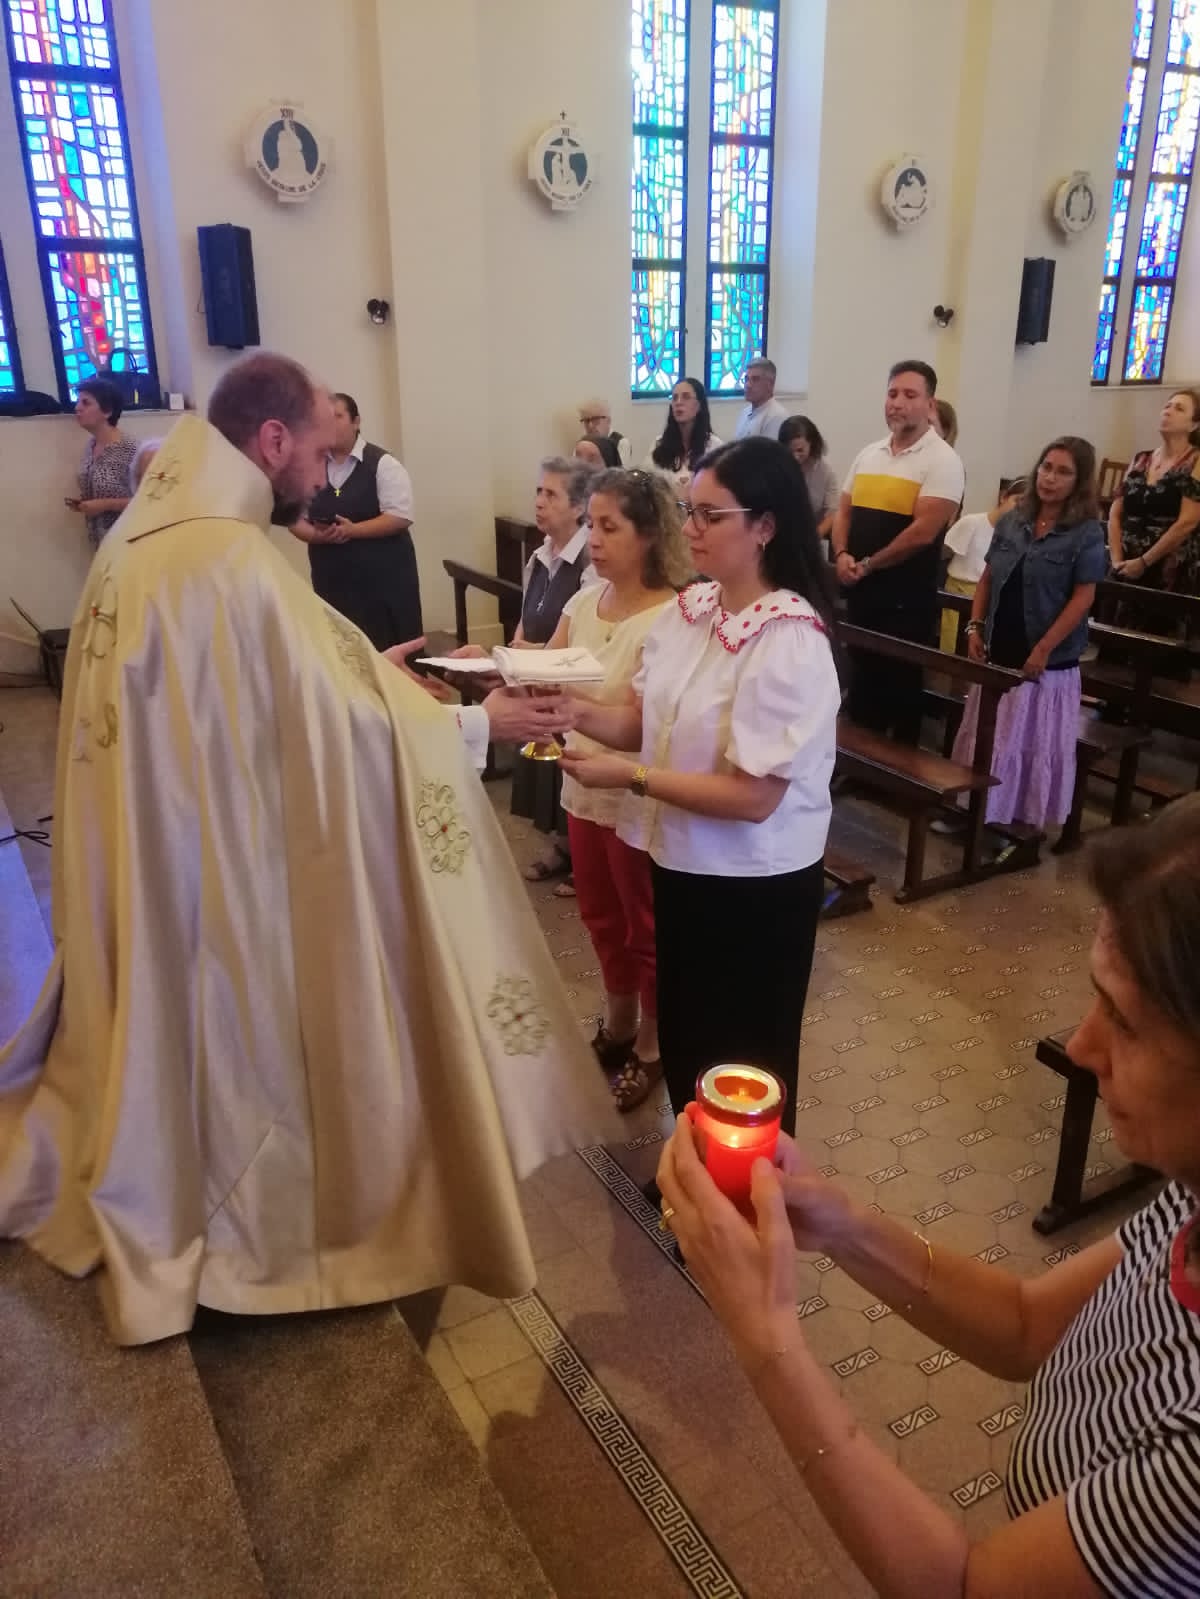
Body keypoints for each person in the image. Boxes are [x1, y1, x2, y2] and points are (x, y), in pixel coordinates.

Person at [0, 352, 615, 1346]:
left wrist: (363, 667)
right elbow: (328, 732)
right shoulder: (226, 559)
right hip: (214, 873)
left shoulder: (151, 536)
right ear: (273, 439)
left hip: (157, 848)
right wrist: (472, 727)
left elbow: (258, 695)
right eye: (317, 456)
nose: (323, 481)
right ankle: (254, 1206)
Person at [656, 792, 1200, 1599]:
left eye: (1124, 1020)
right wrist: (841, 1224)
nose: (1082, 1046)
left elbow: (964, 1586)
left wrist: (766, 1338)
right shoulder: (1190, 1199)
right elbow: (1026, 1325)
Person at [557, 438, 839, 1138]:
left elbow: (754, 798)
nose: (690, 528)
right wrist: (566, 709)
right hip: (681, 862)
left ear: (765, 526)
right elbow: (639, 719)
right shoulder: (693, 611)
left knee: (745, 1055)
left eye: (710, 515)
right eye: (689, 511)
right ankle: (695, 1182)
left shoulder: (789, 640)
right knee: (687, 1035)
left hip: (754, 886)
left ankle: (743, 1209)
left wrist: (633, 777)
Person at [545, 470, 690, 1108]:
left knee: (644, 925)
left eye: (610, 527)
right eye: (591, 524)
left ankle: (654, 1045)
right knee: (599, 914)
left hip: (633, 791)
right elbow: (543, 664)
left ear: (651, 534)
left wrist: (565, 708)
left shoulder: (672, 618)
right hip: (582, 780)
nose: (594, 540)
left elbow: (637, 727)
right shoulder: (583, 603)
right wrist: (487, 661)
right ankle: (620, 1021)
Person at [954, 438, 1105, 846]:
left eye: (1063, 472)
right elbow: (987, 578)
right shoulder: (1014, 519)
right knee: (989, 732)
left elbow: (1083, 597)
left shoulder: (1085, 532)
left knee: (1024, 740)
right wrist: (974, 626)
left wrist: (1044, 649)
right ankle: (977, 808)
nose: (1049, 478)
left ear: (1079, 482)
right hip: (999, 641)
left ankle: (1016, 821)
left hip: (1046, 654)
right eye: (1046, 467)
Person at [832, 359, 964, 745]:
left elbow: (923, 532)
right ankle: (857, 764)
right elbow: (844, 510)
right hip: (861, 588)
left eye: (910, 395)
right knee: (861, 677)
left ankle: (897, 779)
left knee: (900, 683)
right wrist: (841, 554)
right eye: (892, 394)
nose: (898, 403)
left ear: (929, 405)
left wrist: (870, 564)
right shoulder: (869, 453)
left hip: (905, 597)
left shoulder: (942, 460)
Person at [288, 392, 422, 650]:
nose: (330, 424)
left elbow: (400, 516)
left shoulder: (383, 464)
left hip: (383, 580)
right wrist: (314, 535)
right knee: (342, 651)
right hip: (332, 579)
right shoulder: (310, 464)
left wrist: (354, 530)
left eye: (337, 416)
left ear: (356, 421)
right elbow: (292, 516)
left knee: (389, 648)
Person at [1108, 387, 1200, 597]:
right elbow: (1115, 514)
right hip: (1124, 564)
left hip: (1167, 568)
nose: (1168, 411)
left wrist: (1143, 562)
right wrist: (1116, 559)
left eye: (1179, 409)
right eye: (1167, 406)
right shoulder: (1140, 459)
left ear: (1194, 424)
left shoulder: (1196, 461)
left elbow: (1188, 522)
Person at [938, 479, 1024, 653]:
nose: (1019, 510)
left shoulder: (1017, 535)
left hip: (988, 597)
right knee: (953, 650)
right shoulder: (972, 522)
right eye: (1017, 501)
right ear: (1004, 497)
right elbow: (942, 555)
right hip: (959, 591)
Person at [67, 377, 137, 550]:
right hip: (100, 543)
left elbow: (149, 501)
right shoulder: (91, 445)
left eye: (86, 403)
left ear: (107, 411)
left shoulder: (130, 449)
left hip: (129, 543)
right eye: (78, 402)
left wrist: (105, 504)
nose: (77, 408)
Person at [642, 377, 722, 495]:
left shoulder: (715, 446)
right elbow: (646, 484)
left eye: (686, 397)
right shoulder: (658, 445)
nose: (678, 402)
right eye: (674, 398)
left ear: (699, 405)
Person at [779, 415, 838, 539]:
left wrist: (813, 538)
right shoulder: (777, 469)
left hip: (814, 535)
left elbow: (832, 513)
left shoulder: (825, 471)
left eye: (800, 450)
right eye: (790, 451)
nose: (795, 456)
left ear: (812, 444)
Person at [734, 357, 787, 441]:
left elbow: (767, 453)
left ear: (770, 384)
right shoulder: (745, 412)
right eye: (746, 379)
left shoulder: (777, 416)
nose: (748, 385)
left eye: (755, 379)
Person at [577, 397, 631, 466]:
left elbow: (618, 473)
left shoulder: (621, 443)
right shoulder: (582, 444)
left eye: (595, 419)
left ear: (608, 421)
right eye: (586, 421)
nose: (590, 425)